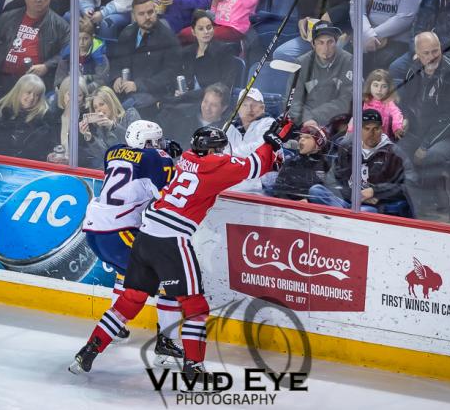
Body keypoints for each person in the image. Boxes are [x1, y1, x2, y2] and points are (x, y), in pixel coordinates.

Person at [69, 123, 287, 381]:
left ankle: (88, 351)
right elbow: (255, 165)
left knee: (131, 300)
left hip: (145, 234)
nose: (222, 152)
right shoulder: (217, 168)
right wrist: (273, 142)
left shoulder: (185, 160)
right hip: (171, 240)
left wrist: (271, 149)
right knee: (195, 306)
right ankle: (193, 369)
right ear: (212, 151)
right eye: (218, 149)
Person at [81, 119, 185, 367]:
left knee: (124, 274)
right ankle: (167, 343)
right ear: (148, 142)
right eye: (156, 141)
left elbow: (136, 169)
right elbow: (168, 195)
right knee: (167, 277)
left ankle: (116, 329)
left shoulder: (112, 152)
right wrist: (175, 163)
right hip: (119, 230)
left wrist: (163, 156)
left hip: (93, 230)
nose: (160, 145)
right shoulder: (156, 159)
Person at [398, 32, 450, 212]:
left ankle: (440, 195)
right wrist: (404, 118)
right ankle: (411, 199)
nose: (431, 57)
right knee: (395, 149)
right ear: (417, 54)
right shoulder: (413, 69)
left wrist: (425, 145)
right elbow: (405, 102)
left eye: (435, 51)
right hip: (418, 132)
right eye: (426, 53)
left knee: (431, 154)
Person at [0, 0, 70, 95]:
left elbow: (67, 54)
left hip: (34, 83)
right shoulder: (7, 18)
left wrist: (46, 66)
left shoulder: (61, 26)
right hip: (1, 78)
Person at [320, 109, 414, 214]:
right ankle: (347, 211)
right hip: (347, 201)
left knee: (363, 211)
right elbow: (334, 179)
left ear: (382, 129)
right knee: (317, 190)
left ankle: (347, 213)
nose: (371, 133)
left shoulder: (395, 153)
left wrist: (375, 192)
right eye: (367, 128)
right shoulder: (347, 147)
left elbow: (408, 185)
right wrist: (355, 195)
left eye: (376, 129)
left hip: (375, 207)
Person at [389, 0, 450, 84]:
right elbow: (417, 26)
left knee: (434, 71)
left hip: (448, 51)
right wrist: (417, 51)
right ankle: (408, 97)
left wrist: (430, 53)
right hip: (422, 50)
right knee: (396, 68)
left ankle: (428, 97)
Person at [111, 0, 181, 112]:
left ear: (155, 11)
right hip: (125, 90)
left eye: (150, 12)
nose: (147, 17)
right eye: (141, 14)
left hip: (153, 93)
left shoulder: (168, 38)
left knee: (127, 108)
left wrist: (137, 85)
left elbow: (170, 74)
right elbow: (116, 60)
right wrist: (116, 77)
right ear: (134, 16)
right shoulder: (127, 33)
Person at [288, 20, 352, 128]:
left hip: (338, 122)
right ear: (313, 44)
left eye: (330, 42)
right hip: (304, 122)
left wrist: (313, 117)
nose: (325, 48)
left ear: (336, 42)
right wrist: (306, 120)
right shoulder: (301, 63)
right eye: (320, 42)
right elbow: (292, 100)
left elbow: (347, 101)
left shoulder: (348, 61)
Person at [0, 74, 53, 161]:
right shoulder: (0, 111)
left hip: (26, 167)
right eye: (28, 92)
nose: (32, 98)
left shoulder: (44, 119)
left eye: (37, 95)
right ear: (18, 91)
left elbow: (44, 150)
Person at [349, 0, 422, 75]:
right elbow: (357, 12)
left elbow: (404, 18)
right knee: (348, 56)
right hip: (366, 37)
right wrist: (367, 36)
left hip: (396, 40)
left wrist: (372, 36)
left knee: (383, 62)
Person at [173, 9, 237, 104]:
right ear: (193, 32)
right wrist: (178, 90)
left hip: (211, 103)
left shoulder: (225, 51)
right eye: (201, 29)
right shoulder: (186, 52)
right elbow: (177, 76)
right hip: (187, 100)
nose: (206, 32)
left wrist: (188, 96)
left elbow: (223, 87)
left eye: (209, 27)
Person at [273, 0, 354, 62]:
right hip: (314, 36)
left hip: (343, 35)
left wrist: (332, 14)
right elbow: (304, 11)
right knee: (281, 54)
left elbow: (359, 4)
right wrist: (302, 21)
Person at [78, 86, 141, 169]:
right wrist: (90, 138)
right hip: (113, 170)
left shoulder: (130, 114)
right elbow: (104, 155)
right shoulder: (102, 126)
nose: (98, 110)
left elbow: (136, 144)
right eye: (95, 107)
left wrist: (113, 126)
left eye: (101, 104)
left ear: (111, 102)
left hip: (133, 169)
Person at [266, 123, 332, 202]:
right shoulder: (291, 162)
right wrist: (293, 203)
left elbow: (325, 195)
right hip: (288, 207)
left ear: (318, 145)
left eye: (307, 137)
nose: (302, 139)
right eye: (301, 137)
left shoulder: (326, 166)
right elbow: (278, 190)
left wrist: (308, 201)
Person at [178, 0, 265, 43]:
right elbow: (214, 15)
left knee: (189, 35)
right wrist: (215, 2)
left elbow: (249, 3)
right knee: (183, 34)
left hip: (235, 28)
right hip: (217, 24)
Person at [157, 82, 230, 147]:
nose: (207, 108)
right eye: (205, 102)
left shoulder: (227, 130)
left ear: (224, 108)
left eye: (213, 105)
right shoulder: (182, 117)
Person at [54, 17, 110, 93]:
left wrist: (82, 91)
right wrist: (62, 89)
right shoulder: (67, 55)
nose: (81, 42)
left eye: (85, 38)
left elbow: (101, 81)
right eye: (78, 38)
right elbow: (59, 78)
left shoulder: (99, 57)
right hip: (69, 93)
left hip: (92, 94)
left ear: (92, 37)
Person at [347, 69, 405, 141]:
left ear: (389, 88)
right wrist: (351, 133)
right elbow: (355, 118)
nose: (379, 90)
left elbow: (396, 114)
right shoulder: (364, 101)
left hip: (380, 140)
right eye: (375, 85)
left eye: (384, 86)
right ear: (369, 86)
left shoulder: (389, 102)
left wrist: (397, 128)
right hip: (361, 139)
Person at [224, 87, 274, 158]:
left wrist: (228, 154)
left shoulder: (269, 124)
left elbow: (258, 149)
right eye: (245, 105)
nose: (249, 109)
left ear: (262, 108)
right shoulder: (229, 126)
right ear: (238, 108)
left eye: (254, 105)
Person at [46, 76, 88, 159]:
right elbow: (45, 144)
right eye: (70, 94)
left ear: (83, 98)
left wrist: (70, 159)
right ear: (63, 95)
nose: (74, 99)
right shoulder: (52, 116)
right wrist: (48, 156)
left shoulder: (88, 119)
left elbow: (89, 152)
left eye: (79, 95)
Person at [147, 0, 212, 34]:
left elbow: (204, 1)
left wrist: (177, 0)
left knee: (155, 29)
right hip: (157, 12)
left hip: (177, 19)